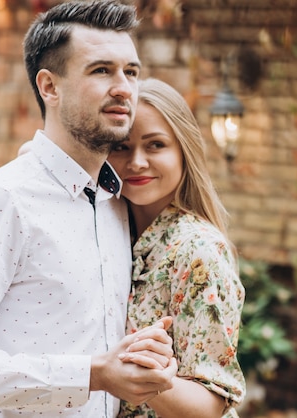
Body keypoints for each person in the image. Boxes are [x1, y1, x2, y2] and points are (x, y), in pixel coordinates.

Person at [0, 2, 177, 417]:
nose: (124, 88)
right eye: (101, 70)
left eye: (131, 71)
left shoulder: (115, 202)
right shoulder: (1, 201)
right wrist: (93, 374)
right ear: (49, 87)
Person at [107, 78, 246, 418]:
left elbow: (210, 407)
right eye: (121, 147)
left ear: (184, 151)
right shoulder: (108, 232)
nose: (137, 162)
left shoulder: (198, 251)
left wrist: (145, 374)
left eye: (155, 145)